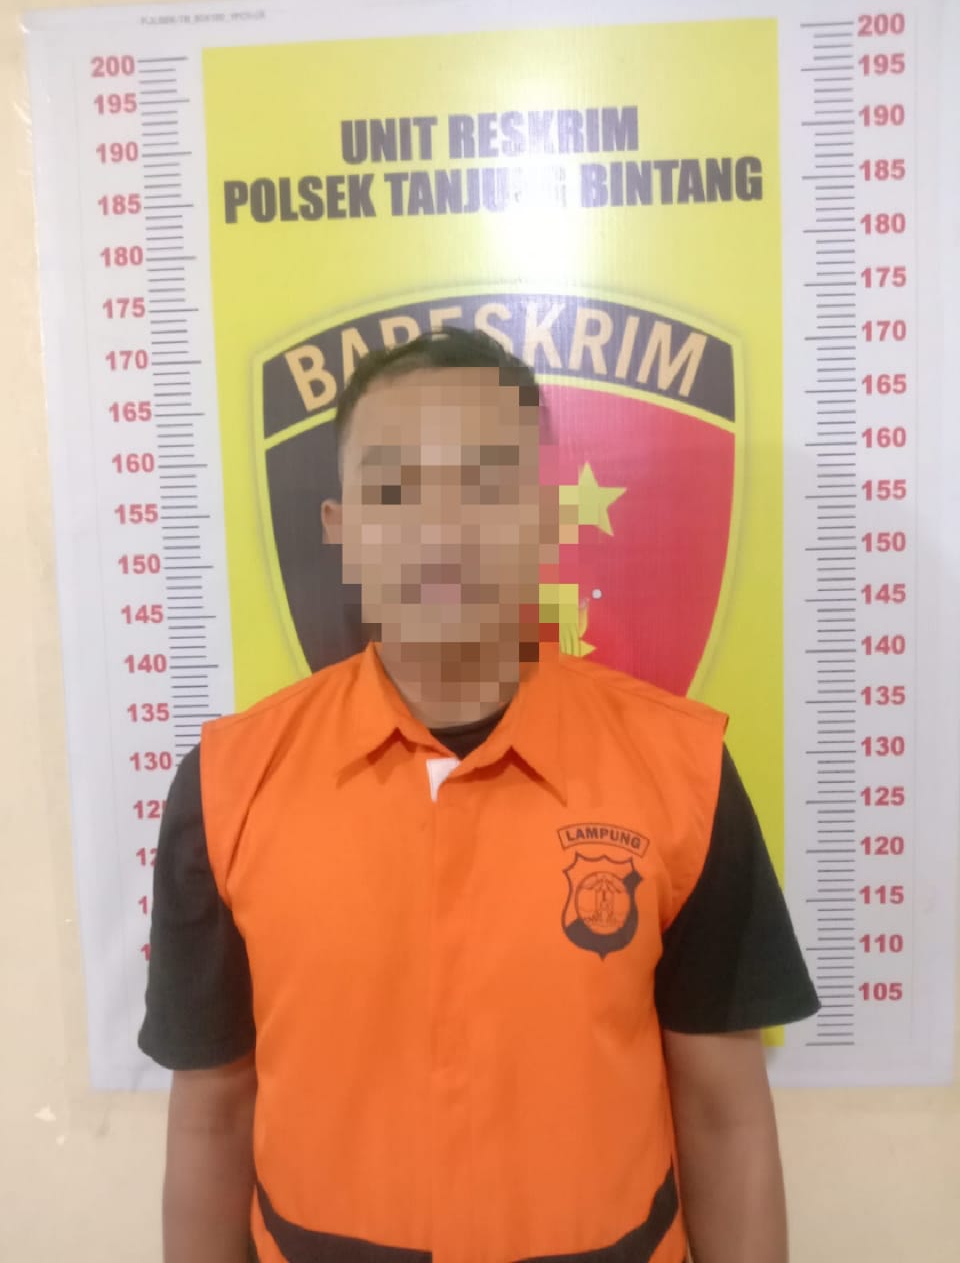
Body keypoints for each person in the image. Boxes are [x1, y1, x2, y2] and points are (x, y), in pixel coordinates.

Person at [139, 327, 819, 1263]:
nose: (441, 529)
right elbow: (211, 1113)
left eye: (486, 485)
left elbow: (724, 1112)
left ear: (544, 519)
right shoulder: (229, 784)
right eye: (394, 490)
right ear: (340, 526)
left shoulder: (682, 771)